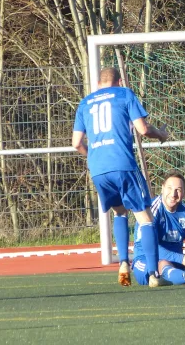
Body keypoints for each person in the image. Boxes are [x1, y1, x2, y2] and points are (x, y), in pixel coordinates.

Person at [72, 67, 169, 287]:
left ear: (98, 83)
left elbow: (76, 143)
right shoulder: (125, 93)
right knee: (145, 218)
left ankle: (123, 264)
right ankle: (154, 275)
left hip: (98, 170)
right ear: (120, 80)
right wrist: (161, 134)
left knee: (119, 212)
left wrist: (93, 156)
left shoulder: (85, 102)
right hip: (122, 164)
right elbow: (143, 129)